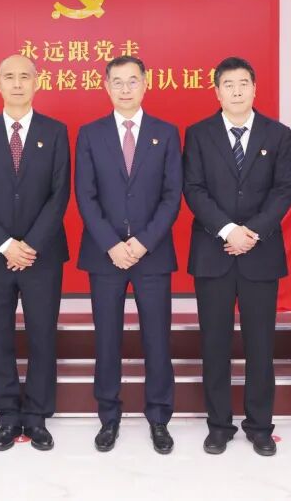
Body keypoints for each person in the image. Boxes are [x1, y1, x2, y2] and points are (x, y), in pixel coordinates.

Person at [181, 57, 291, 456]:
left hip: (260, 254)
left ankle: (260, 426)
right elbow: (193, 188)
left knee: (260, 345)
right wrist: (228, 229)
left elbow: (284, 189)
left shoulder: (278, 134)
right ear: (217, 91)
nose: (236, 91)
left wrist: (253, 232)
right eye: (228, 85)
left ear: (254, 88)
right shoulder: (199, 134)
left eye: (243, 83)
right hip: (213, 252)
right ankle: (219, 425)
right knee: (214, 343)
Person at [75, 55, 183, 454]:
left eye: (132, 81)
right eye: (117, 82)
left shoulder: (165, 133)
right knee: (107, 339)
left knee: (157, 339)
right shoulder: (90, 134)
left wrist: (142, 243)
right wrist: (112, 244)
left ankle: (159, 417)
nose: (125, 89)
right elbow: (85, 195)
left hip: (151, 254)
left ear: (146, 83)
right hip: (105, 255)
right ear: (106, 86)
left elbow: (172, 195)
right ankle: (109, 416)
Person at [0, 54, 70, 451]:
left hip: (43, 255)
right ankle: (8, 415)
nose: (17, 83)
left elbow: (59, 194)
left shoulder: (55, 132)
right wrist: (6, 244)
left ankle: (38, 416)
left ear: (37, 82)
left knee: (43, 334)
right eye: (9, 76)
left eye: (25, 76)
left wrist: (31, 244)